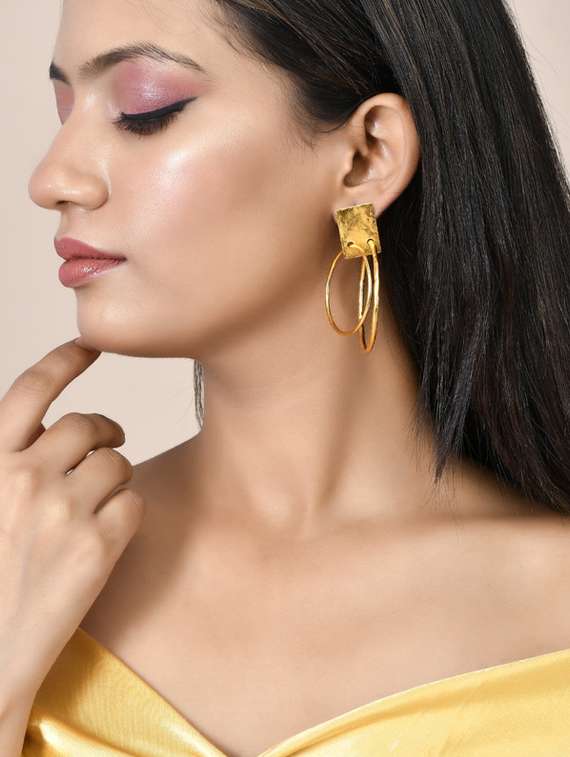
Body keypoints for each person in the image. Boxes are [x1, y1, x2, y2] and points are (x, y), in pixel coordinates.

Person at [1, 0, 570, 755]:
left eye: (143, 110)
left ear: (367, 157)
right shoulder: (21, 563)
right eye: (64, 109)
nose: (52, 179)